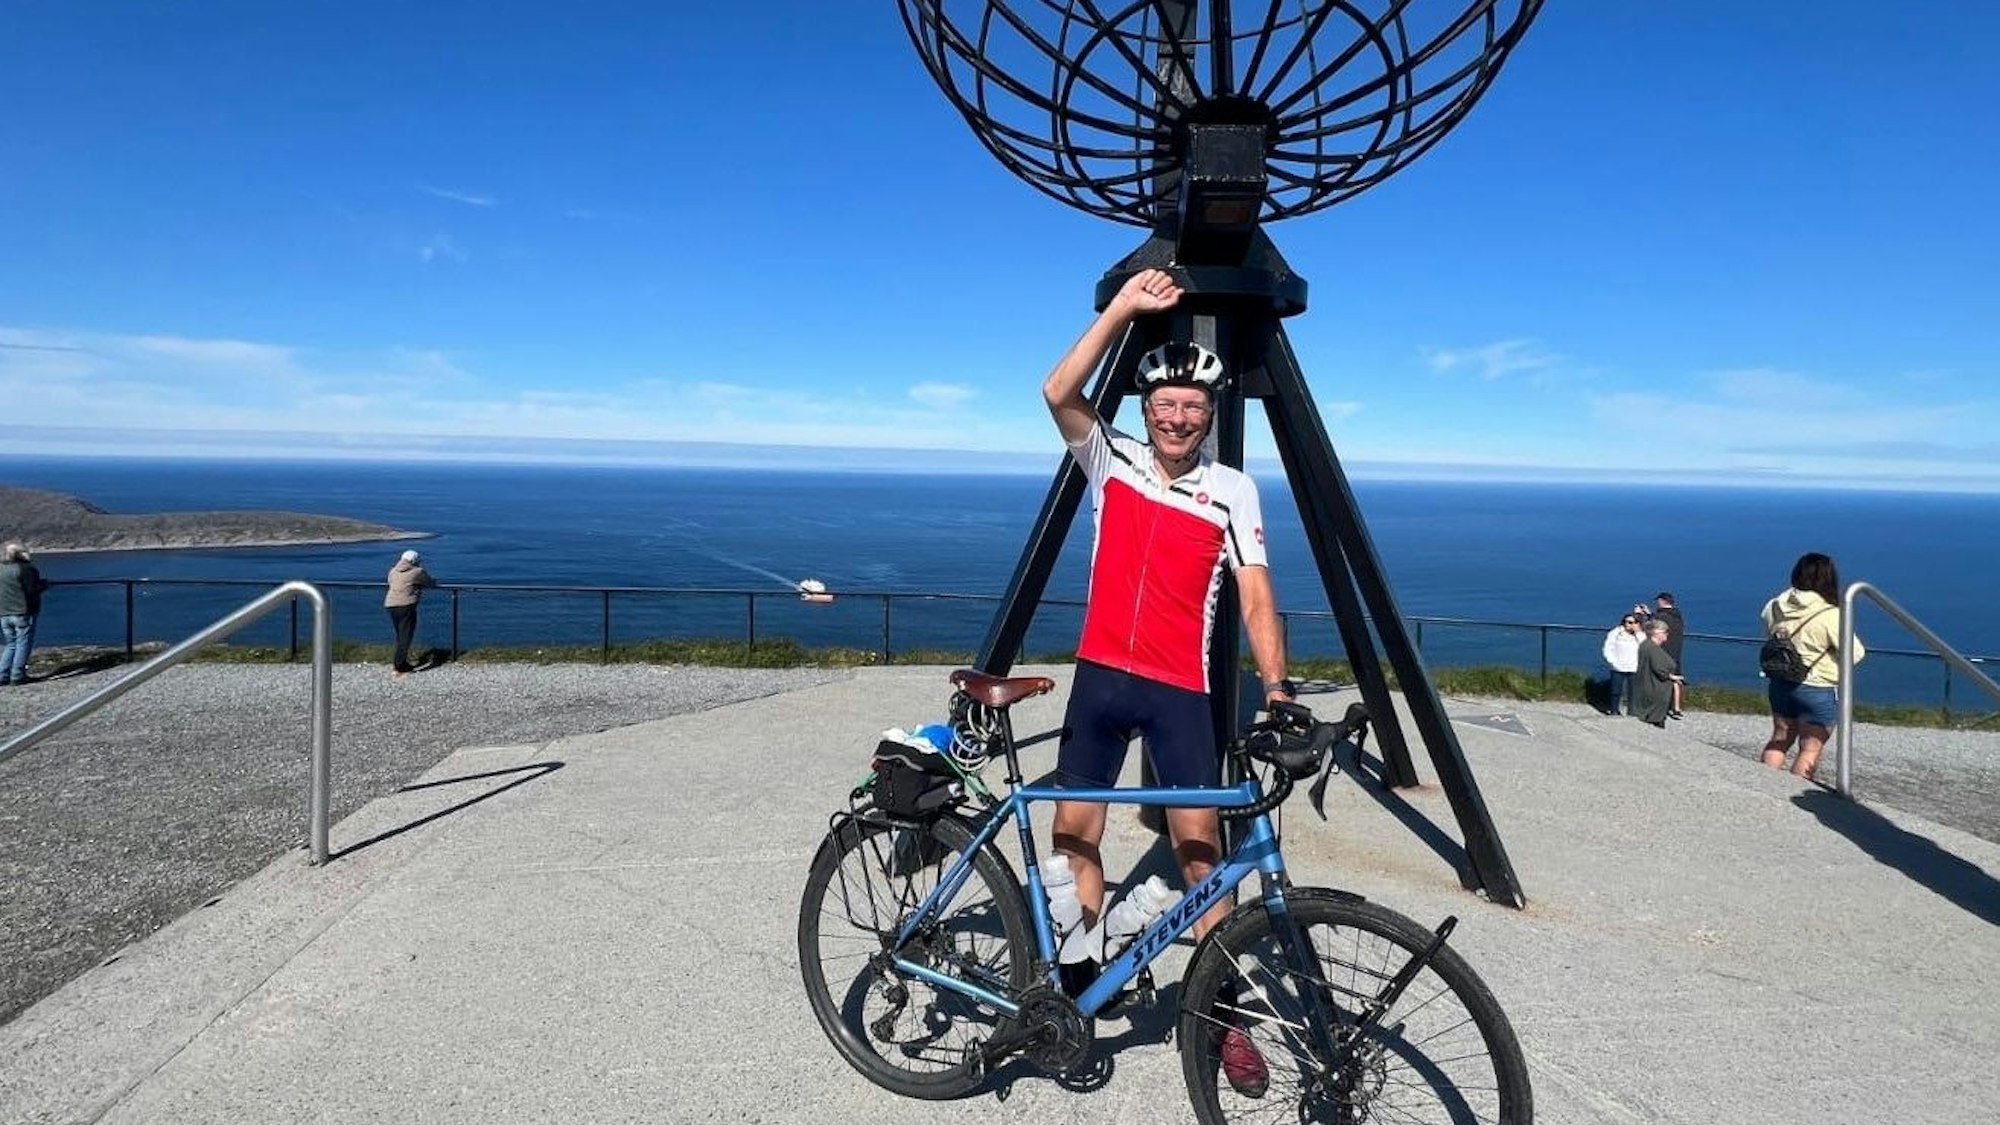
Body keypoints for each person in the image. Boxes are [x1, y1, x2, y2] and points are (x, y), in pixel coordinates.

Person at [1042, 267, 1289, 1097]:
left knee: (1199, 858)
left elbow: (1256, 593)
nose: (1178, 416)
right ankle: (1076, 978)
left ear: (1210, 416)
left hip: (1182, 689)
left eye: (1193, 407)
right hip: (1102, 681)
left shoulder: (1231, 492)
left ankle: (1222, 1016)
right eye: (1165, 405)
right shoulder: (1109, 462)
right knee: (1075, 837)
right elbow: (1057, 389)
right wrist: (1122, 308)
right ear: (1146, 411)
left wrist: (1279, 688)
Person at [1760, 552, 1864, 779]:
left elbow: (1769, 633)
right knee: (1810, 748)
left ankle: (1761, 787)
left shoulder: (1774, 606)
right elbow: (1855, 653)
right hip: (1816, 687)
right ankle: (1791, 800)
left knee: (1779, 738)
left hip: (1779, 683)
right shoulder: (1830, 614)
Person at [0, 542, 50, 685]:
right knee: (23, 643)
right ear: (20, 553)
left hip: (4, 613)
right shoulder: (26, 569)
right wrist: (44, 585)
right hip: (22, 612)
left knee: (11, 644)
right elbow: (32, 590)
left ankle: (3, 674)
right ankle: (17, 675)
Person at [384, 548, 438, 676]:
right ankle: (400, 665)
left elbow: (391, 583)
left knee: (400, 634)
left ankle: (401, 661)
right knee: (406, 635)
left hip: (391, 604)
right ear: (415, 561)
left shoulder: (392, 570)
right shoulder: (417, 571)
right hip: (406, 605)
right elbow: (430, 582)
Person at [1633, 619, 1682, 727]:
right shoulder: (1652, 648)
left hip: (1650, 687)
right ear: (1656, 633)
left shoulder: (1646, 645)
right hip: (1656, 690)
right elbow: (1659, 669)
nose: (1667, 634)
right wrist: (1671, 676)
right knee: (1655, 723)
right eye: (1665, 632)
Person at [1600, 613, 1645, 715]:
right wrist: (1612, 662)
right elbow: (1607, 648)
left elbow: (1645, 647)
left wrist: (1637, 632)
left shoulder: (1641, 635)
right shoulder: (1615, 633)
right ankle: (1614, 710)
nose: (1629, 624)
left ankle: (1632, 711)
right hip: (1617, 667)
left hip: (1634, 667)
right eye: (1627, 622)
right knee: (1615, 690)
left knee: (1633, 691)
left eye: (1632, 622)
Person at [1652, 591, 1687, 718]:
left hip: (1664, 652)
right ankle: (1676, 708)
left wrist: (1644, 615)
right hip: (1676, 652)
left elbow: (1652, 626)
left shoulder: (1661, 616)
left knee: (1662, 679)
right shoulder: (1678, 616)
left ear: (1662, 601)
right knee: (1676, 679)